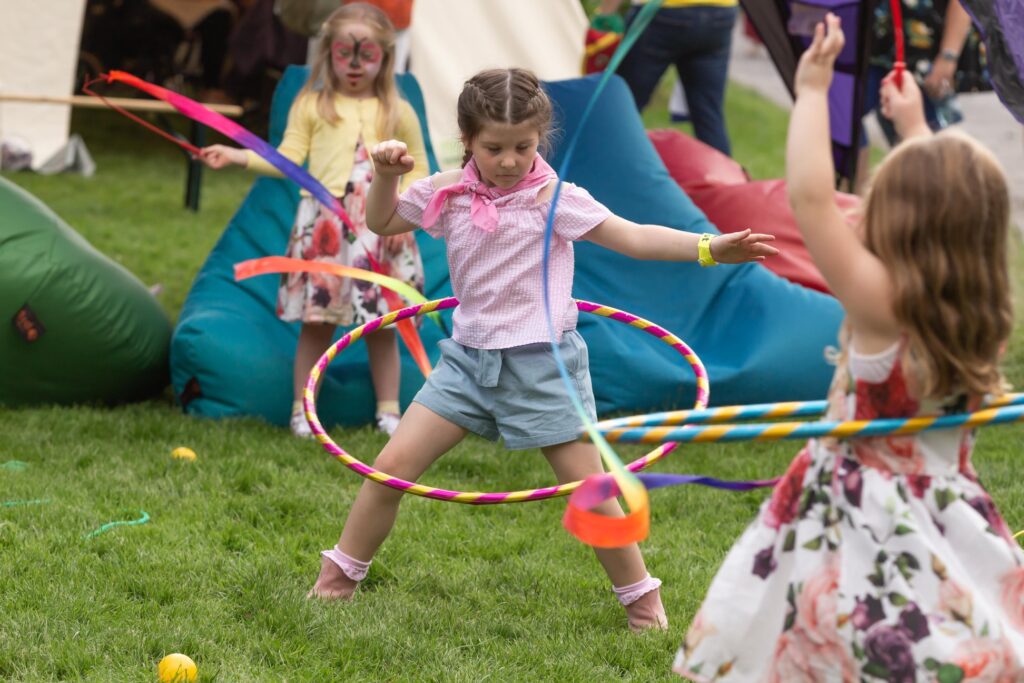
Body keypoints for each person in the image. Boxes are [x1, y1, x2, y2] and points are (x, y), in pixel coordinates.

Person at [306, 67, 778, 631]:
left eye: (523, 147)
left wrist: (708, 247)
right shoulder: (446, 193)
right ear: (468, 141)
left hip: (542, 365)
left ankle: (641, 602)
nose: (509, 160)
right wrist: (385, 175)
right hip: (468, 362)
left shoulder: (557, 200)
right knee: (389, 469)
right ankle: (338, 579)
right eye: (494, 148)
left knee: (591, 492)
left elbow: (631, 236)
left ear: (541, 139)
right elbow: (382, 221)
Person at [674, 14, 1024, 679]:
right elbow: (947, 200)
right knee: (939, 637)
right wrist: (916, 127)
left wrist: (812, 91)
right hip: (949, 513)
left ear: (894, 214)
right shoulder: (983, 313)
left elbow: (810, 198)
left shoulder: (879, 308)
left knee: (834, 646)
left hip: (859, 520)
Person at [201, 3, 428, 437]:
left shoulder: (397, 110)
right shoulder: (312, 104)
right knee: (317, 321)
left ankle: (389, 411)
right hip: (324, 228)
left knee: (382, 324)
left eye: (367, 55)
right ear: (328, 53)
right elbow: (286, 158)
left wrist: (409, 209)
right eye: (345, 54)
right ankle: (302, 410)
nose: (356, 65)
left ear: (384, 56)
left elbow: (417, 169)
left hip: (380, 229)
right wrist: (236, 156)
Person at [856, 0, 975, 192]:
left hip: (921, 55)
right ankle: (857, 203)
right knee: (842, 122)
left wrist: (948, 56)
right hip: (869, 47)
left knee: (931, 151)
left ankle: (939, 211)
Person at [596, 0, 739, 156]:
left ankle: (597, 168)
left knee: (622, 106)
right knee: (709, 114)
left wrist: (604, 13)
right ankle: (729, 178)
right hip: (719, 12)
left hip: (660, 11)